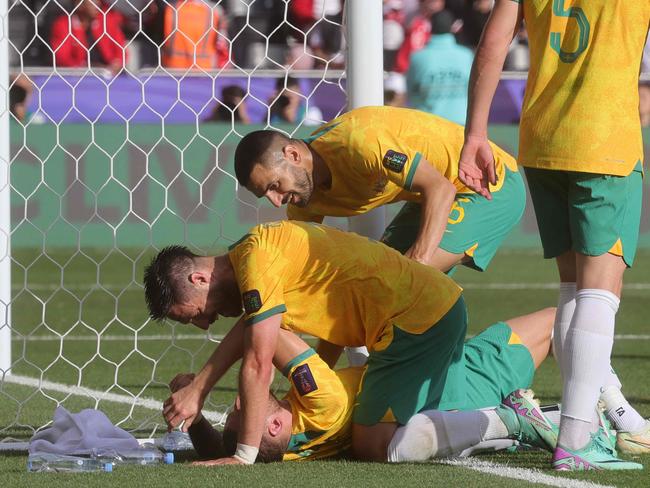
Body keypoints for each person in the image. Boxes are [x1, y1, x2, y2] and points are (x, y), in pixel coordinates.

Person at [143, 221, 556, 465]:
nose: (203, 324)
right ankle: (538, 417)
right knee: (559, 324)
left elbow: (259, 350)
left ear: (199, 279)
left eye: (192, 313)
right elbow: (263, 347)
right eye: (240, 412)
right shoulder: (316, 408)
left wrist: (200, 402)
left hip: (412, 317)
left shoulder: (257, 258)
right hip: (416, 331)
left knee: (374, 442)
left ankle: (531, 418)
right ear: (271, 425)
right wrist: (236, 447)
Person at [458, 0, 650, 470]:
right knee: (600, 291)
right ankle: (577, 439)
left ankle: (595, 422)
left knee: (572, 287)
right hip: (604, 141)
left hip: (542, 139)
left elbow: (493, 43)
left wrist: (475, 134)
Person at [176, 309, 559, 464]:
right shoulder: (319, 402)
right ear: (274, 426)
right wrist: (201, 388)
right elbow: (258, 325)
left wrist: (195, 422)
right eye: (247, 408)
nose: (244, 397)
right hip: (465, 377)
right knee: (570, 319)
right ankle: (614, 413)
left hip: (438, 393)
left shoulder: (289, 451)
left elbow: (223, 451)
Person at [234, 106, 525, 274]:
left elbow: (441, 188)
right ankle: (332, 379)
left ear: (293, 156)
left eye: (274, 186)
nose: (275, 202)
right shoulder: (303, 200)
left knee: (396, 282)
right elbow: (297, 274)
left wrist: (416, 267)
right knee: (364, 283)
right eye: (267, 195)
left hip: (487, 183)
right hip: (428, 194)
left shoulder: (359, 144)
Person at [407, 9, 473, 125]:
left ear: (430, 27)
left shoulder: (417, 57)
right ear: (452, 27)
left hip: (428, 124)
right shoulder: (466, 55)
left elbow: (412, 93)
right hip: (461, 125)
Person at [49, 0, 127, 73]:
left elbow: (121, 50)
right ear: (79, 4)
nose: (97, 4)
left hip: (109, 74)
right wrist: (85, 68)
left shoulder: (107, 21)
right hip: (78, 76)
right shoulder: (64, 24)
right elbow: (61, 57)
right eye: (92, 1)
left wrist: (117, 63)